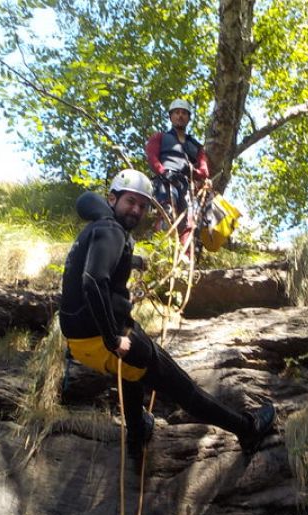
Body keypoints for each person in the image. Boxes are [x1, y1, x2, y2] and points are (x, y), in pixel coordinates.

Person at [58, 168, 275, 465]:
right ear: (112, 199)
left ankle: (137, 433)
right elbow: (93, 281)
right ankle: (248, 429)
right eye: (130, 202)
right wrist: (113, 338)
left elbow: (94, 263)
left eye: (142, 205)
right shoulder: (111, 230)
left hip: (79, 342)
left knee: (131, 372)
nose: (136, 210)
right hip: (105, 339)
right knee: (184, 389)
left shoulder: (97, 228)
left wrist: (130, 261)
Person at [145, 98, 212, 259]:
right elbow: (152, 157)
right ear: (171, 116)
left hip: (186, 185)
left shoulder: (196, 146)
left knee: (190, 221)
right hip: (165, 181)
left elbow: (204, 169)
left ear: (188, 118)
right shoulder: (160, 137)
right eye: (176, 113)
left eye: (184, 113)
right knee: (167, 212)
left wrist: (194, 172)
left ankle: (186, 257)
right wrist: (163, 172)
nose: (180, 116)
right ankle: (162, 253)